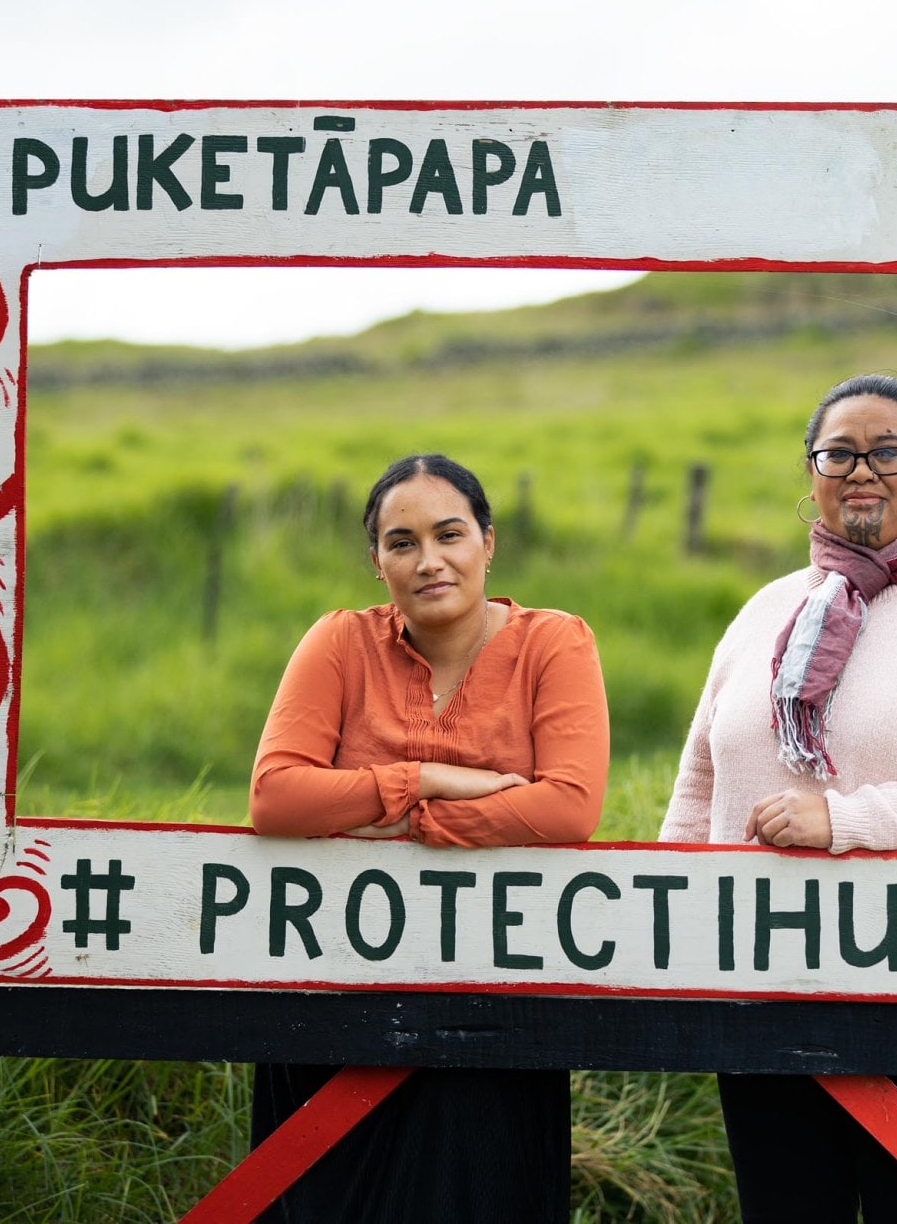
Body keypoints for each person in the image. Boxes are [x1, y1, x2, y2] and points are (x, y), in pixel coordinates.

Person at [659, 373, 897, 1222]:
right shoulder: (767, 609)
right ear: (812, 471)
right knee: (786, 1209)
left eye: (888, 451)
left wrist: (843, 821)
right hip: (762, 985)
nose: (861, 470)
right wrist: (675, 933)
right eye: (838, 452)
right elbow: (701, 779)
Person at [248, 452, 608, 1223]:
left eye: (449, 534)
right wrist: (429, 779)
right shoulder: (339, 643)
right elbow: (276, 796)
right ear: (376, 561)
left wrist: (395, 822)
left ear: (488, 541)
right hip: (334, 987)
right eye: (402, 542)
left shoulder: (555, 644)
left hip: (496, 997)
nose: (429, 560)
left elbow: (570, 809)